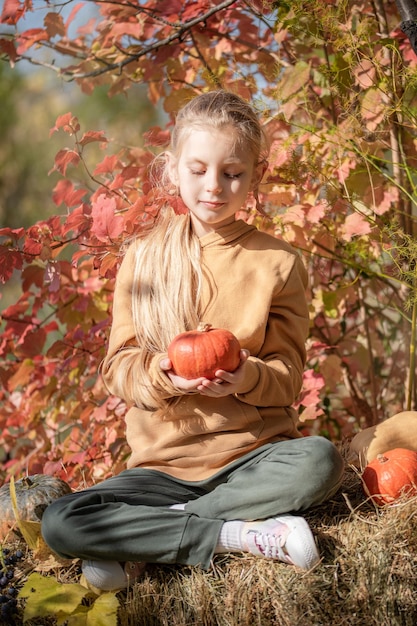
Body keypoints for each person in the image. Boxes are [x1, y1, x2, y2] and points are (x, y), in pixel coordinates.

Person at [41, 89, 344, 591]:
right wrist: (157, 372)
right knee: (60, 520)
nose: (214, 187)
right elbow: (119, 367)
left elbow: (287, 379)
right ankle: (234, 534)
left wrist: (248, 377)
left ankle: (148, 539)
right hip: (161, 470)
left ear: (256, 176)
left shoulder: (278, 263)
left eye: (233, 172)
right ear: (173, 168)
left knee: (320, 462)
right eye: (198, 169)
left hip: (254, 457)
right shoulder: (143, 257)